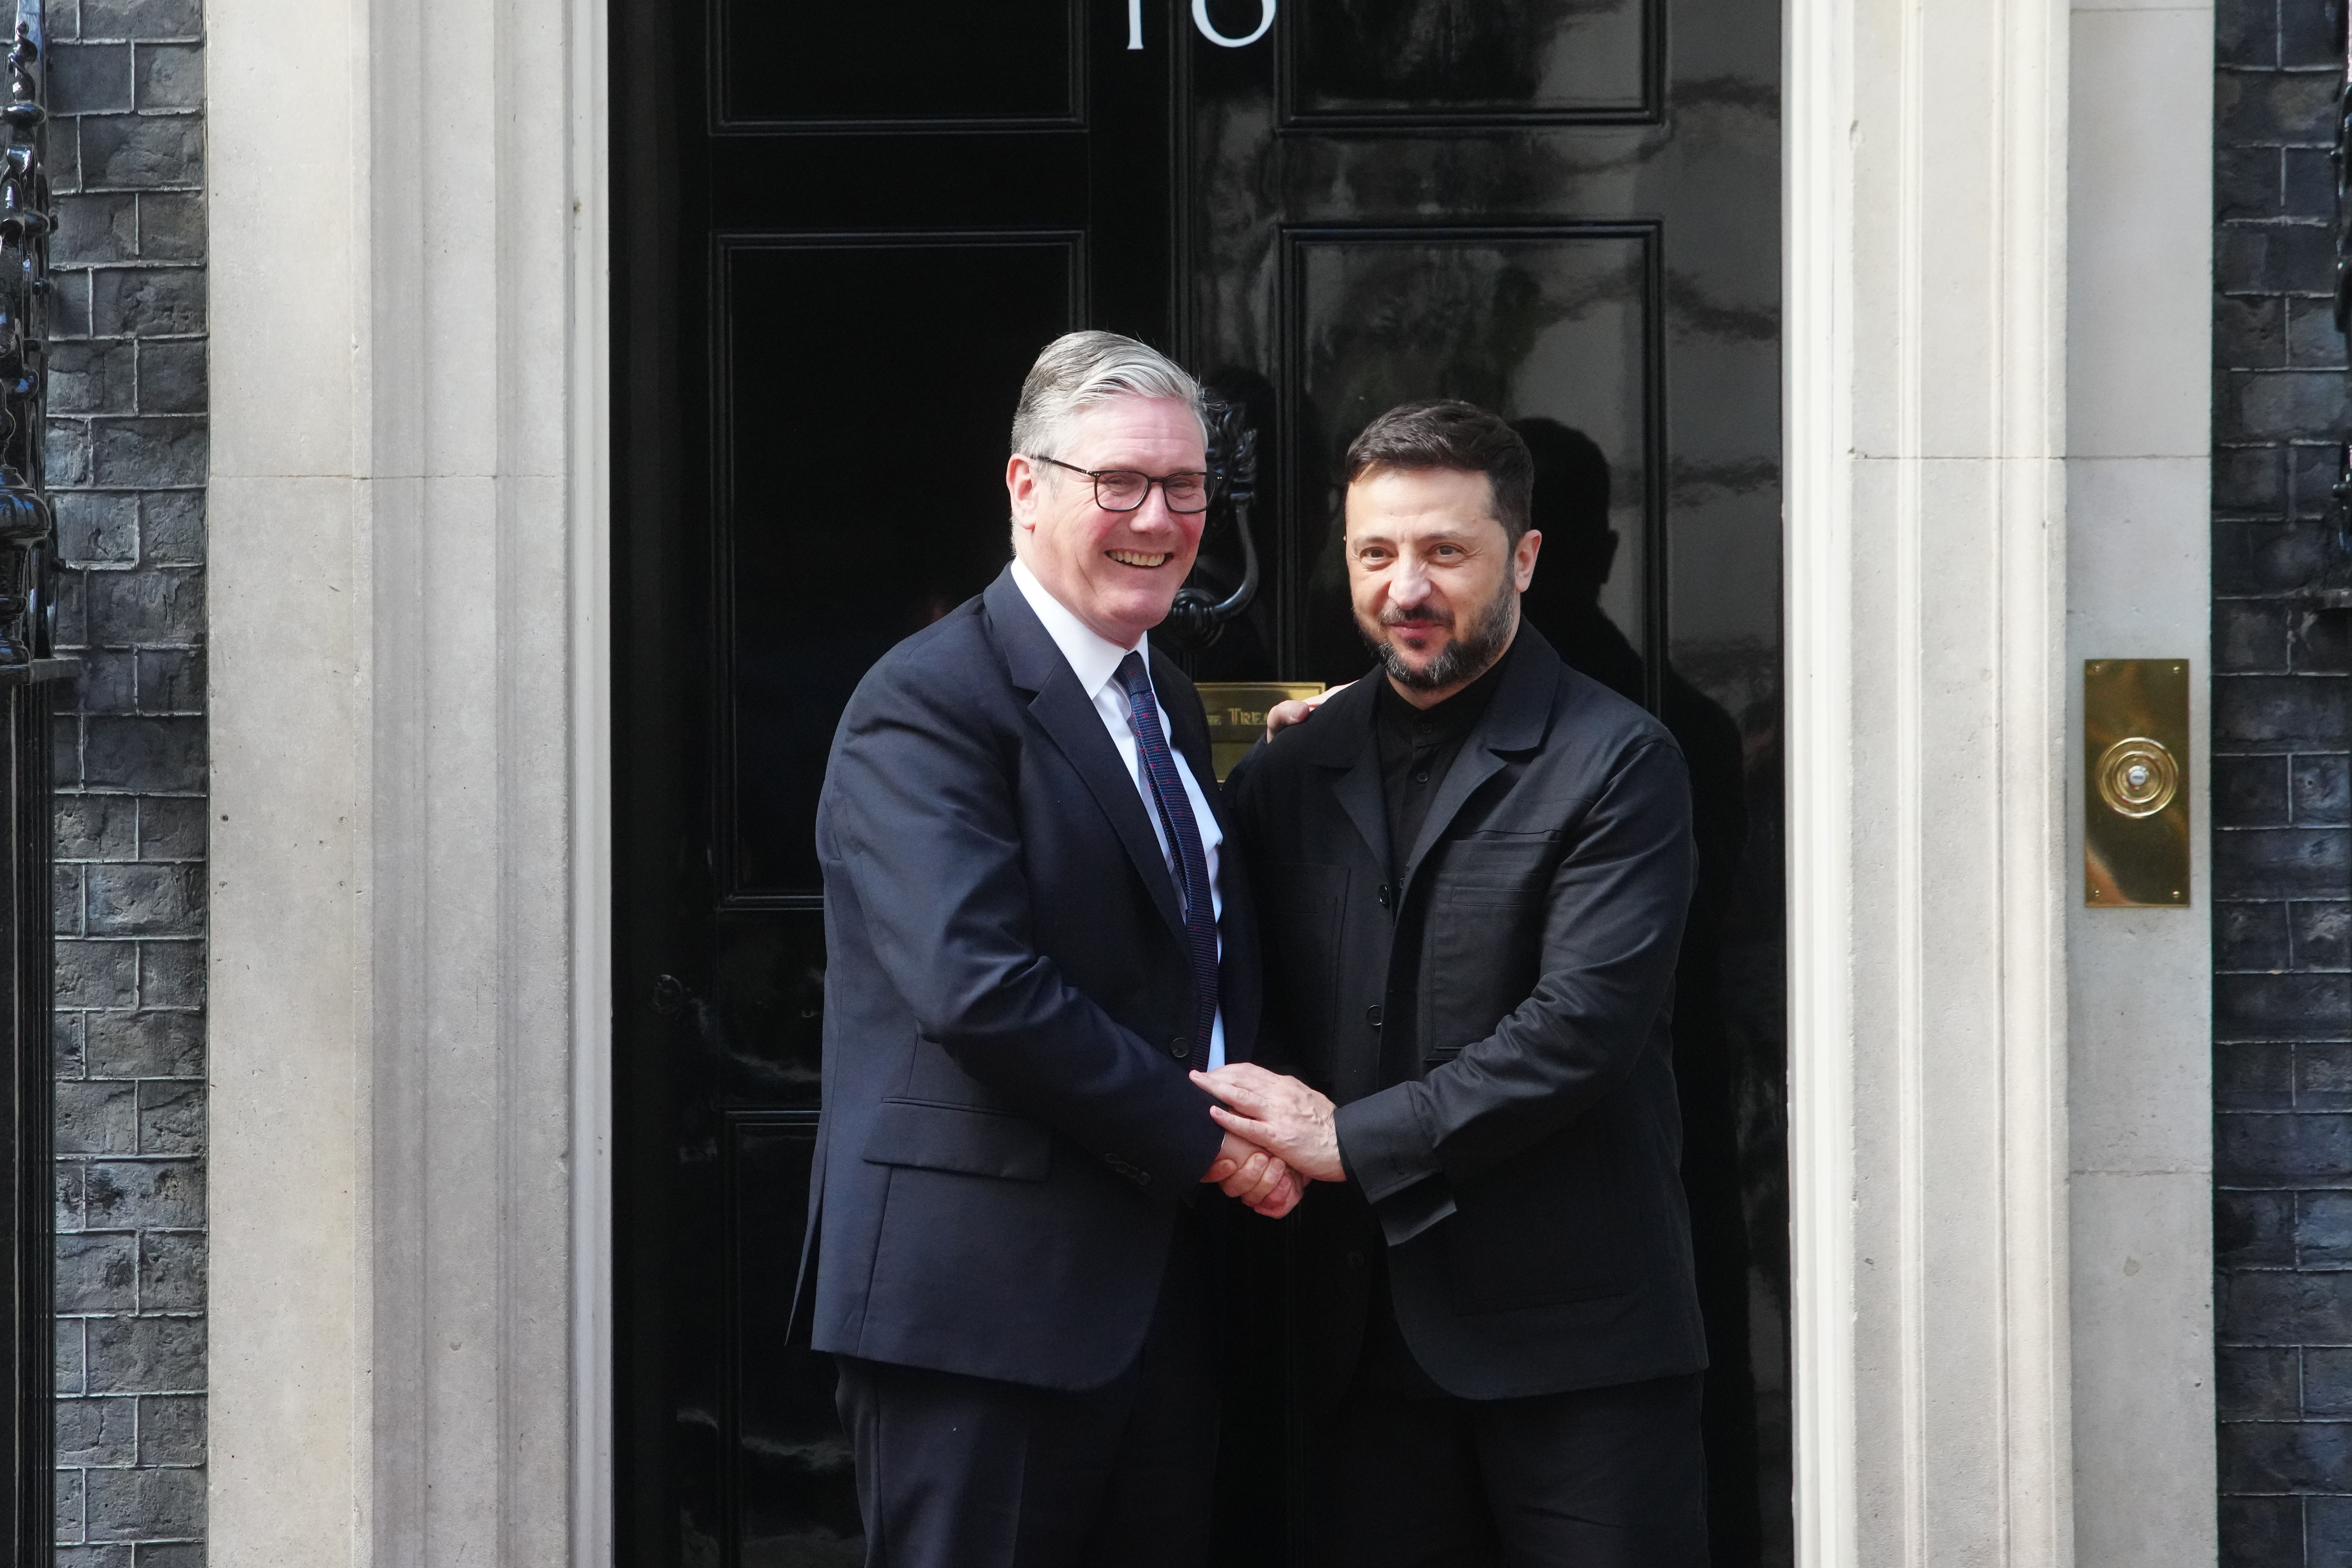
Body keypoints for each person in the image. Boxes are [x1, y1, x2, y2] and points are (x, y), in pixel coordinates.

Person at [805, 330, 1300, 1568]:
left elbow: (1184, 945)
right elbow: (980, 986)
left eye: (1186, 489)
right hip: (980, 1313)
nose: (1159, 518)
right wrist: (1217, 1144)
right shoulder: (927, 701)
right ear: (1026, 487)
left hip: (1155, 1300)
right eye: (1119, 483)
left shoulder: (1166, 696)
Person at [1204, 399, 1709, 1567]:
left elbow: (1581, 1027)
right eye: (1375, 554)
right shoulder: (1290, 774)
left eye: (1445, 551)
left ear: (1523, 558)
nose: (1405, 588)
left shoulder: (1620, 762)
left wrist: (1351, 1137)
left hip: (1579, 1355)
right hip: (1351, 1354)